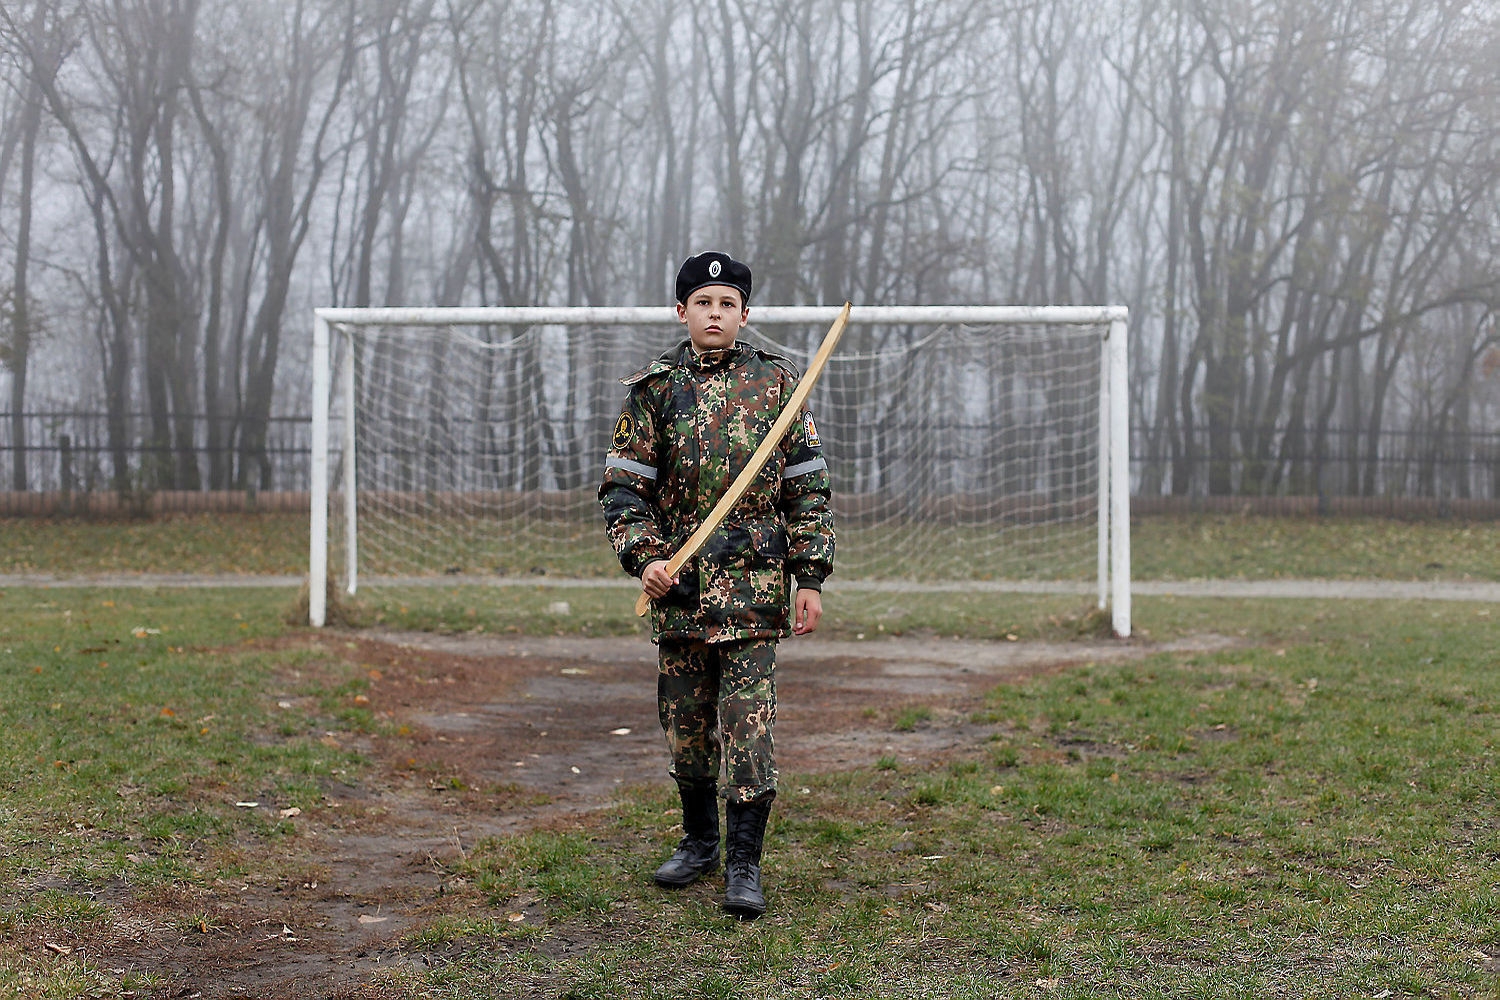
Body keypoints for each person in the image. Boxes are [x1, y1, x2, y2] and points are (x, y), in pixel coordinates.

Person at [598, 250, 835, 918]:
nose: (714, 313)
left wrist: (809, 577)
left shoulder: (778, 388)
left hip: (753, 596)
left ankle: (744, 865)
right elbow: (623, 490)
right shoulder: (653, 390)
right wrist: (643, 557)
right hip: (678, 593)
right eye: (702, 303)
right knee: (686, 729)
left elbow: (808, 490)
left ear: (744, 314)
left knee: (748, 730)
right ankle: (700, 842)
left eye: (726, 303)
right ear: (682, 311)